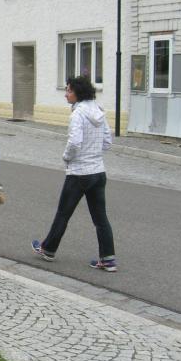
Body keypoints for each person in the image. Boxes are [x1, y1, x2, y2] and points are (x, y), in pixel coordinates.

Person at [32, 75, 116, 271]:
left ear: (78, 93)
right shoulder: (99, 112)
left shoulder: (77, 114)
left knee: (63, 213)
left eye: (68, 90)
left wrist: (66, 157)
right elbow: (107, 142)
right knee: (100, 218)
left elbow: (75, 142)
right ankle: (108, 259)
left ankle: (48, 249)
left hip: (78, 173)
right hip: (98, 172)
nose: (66, 94)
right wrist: (94, 153)